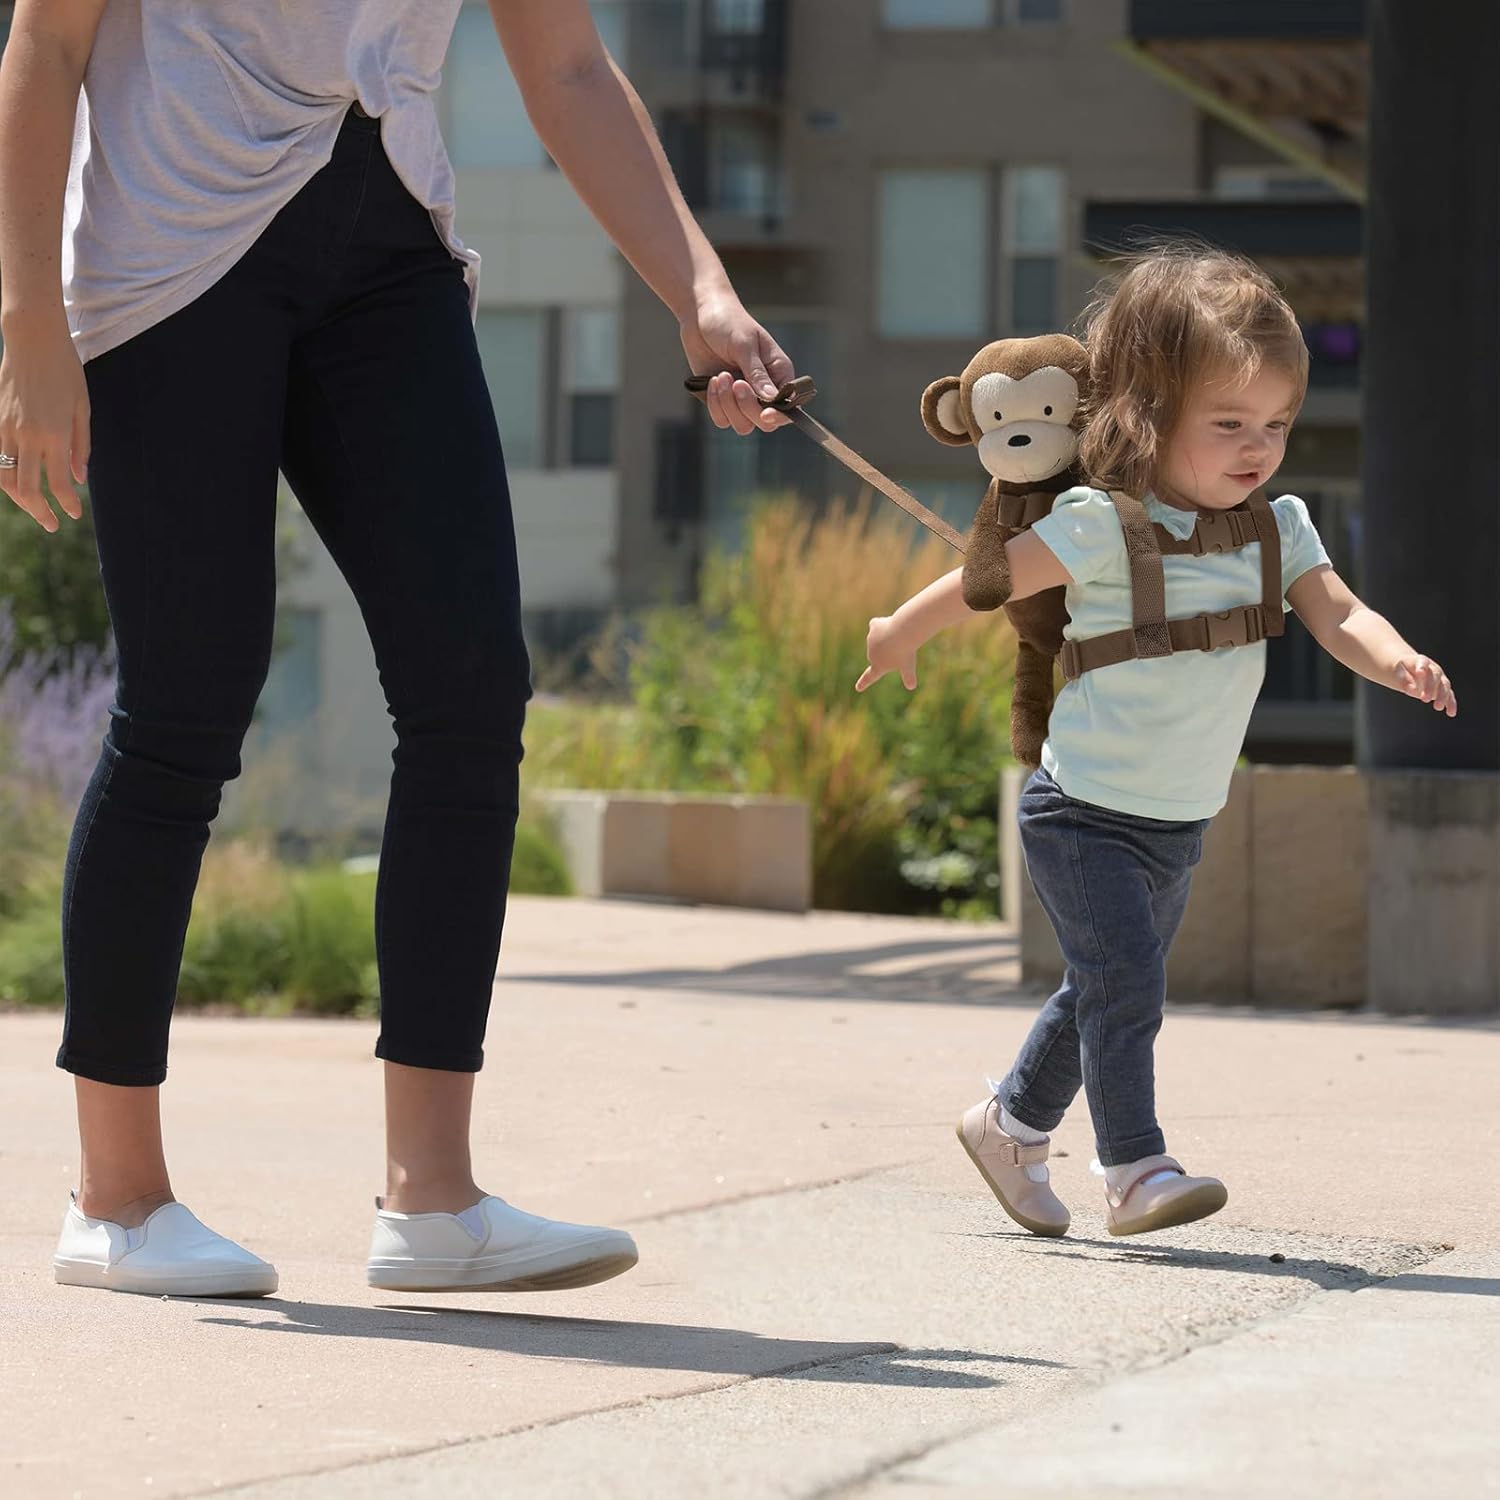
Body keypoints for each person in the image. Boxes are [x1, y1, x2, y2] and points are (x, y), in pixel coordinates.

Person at [0, 0, 791, 1298]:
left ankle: (432, 1200)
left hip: (388, 248)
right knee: (189, 701)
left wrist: (699, 292)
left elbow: (570, 68)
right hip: (172, 250)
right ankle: (117, 1200)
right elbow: (48, 43)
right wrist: (30, 325)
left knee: (471, 688)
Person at [858, 245, 1456, 1238]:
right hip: (1081, 811)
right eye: (1228, 424)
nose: (1257, 446)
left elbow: (1339, 612)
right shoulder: (1101, 524)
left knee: (1097, 984)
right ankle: (1135, 1169)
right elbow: (991, 577)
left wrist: (1395, 658)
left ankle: (1007, 1126)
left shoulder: (1281, 528)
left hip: (1179, 820)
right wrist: (901, 628)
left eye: (1275, 423)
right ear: (1146, 411)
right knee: (1126, 985)